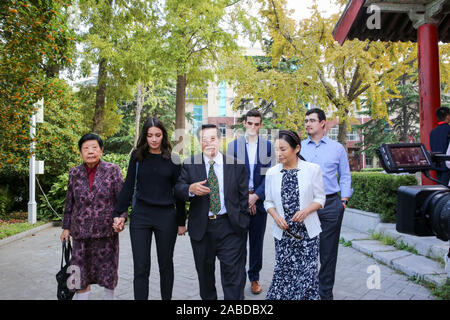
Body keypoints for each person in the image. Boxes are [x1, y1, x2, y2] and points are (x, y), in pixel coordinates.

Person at [112, 117, 186, 300]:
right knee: (141, 267)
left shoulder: (174, 159)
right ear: (145, 136)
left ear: (164, 135)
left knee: (165, 265)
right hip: (141, 216)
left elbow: (179, 191)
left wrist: (181, 221)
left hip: (166, 216)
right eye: (150, 135)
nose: (154, 139)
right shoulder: (137, 156)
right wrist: (118, 213)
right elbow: (128, 185)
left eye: (158, 135)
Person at [175, 124, 250, 300]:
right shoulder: (189, 164)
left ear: (219, 140)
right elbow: (178, 189)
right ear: (199, 142)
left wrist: (242, 222)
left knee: (233, 277)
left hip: (230, 227)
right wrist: (190, 189)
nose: (209, 143)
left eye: (213, 138)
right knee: (205, 277)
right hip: (202, 229)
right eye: (204, 139)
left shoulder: (235, 165)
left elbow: (243, 198)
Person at [60, 133, 127, 300]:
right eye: (86, 148)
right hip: (80, 233)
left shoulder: (113, 170)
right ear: (81, 152)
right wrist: (66, 227)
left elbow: (121, 200)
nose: (90, 151)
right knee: (79, 275)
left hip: (106, 232)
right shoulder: (74, 173)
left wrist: (121, 218)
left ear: (101, 150)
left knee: (108, 274)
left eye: (94, 148)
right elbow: (70, 202)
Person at [264, 130, 325, 300]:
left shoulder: (312, 169)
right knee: (283, 278)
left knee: (307, 278)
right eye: (276, 149)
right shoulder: (272, 173)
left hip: (308, 235)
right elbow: (268, 202)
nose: (279, 153)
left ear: (296, 148)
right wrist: (276, 217)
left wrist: (306, 211)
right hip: (283, 235)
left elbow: (320, 199)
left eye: (283, 149)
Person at [300, 108, 353, 300]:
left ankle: (325, 294)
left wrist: (344, 201)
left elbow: (345, 176)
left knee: (328, 254)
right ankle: (306, 292)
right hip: (306, 207)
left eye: (312, 120)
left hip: (331, 205)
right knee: (306, 252)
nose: (307, 124)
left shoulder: (336, 148)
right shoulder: (299, 148)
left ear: (323, 123)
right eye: (306, 121)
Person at [227, 109, 274, 295]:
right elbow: (231, 175)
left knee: (256, 243)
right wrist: (246, 196)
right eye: (250, 123)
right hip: (239, 203)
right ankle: (238, 280)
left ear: (260, 125)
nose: (253, 127)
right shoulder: (233, 146)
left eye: (257, 124)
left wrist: (255, 197)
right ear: (244, 123)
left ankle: (254, 278)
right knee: (238, 243)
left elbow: (269, 175)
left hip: (259, 202)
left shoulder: (269, 147)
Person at [430, 106, 450, 185]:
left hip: (437, 165)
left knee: (440, 188)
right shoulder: (449, 129)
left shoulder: (433, 132)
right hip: (448, 165)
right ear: (447, 116)